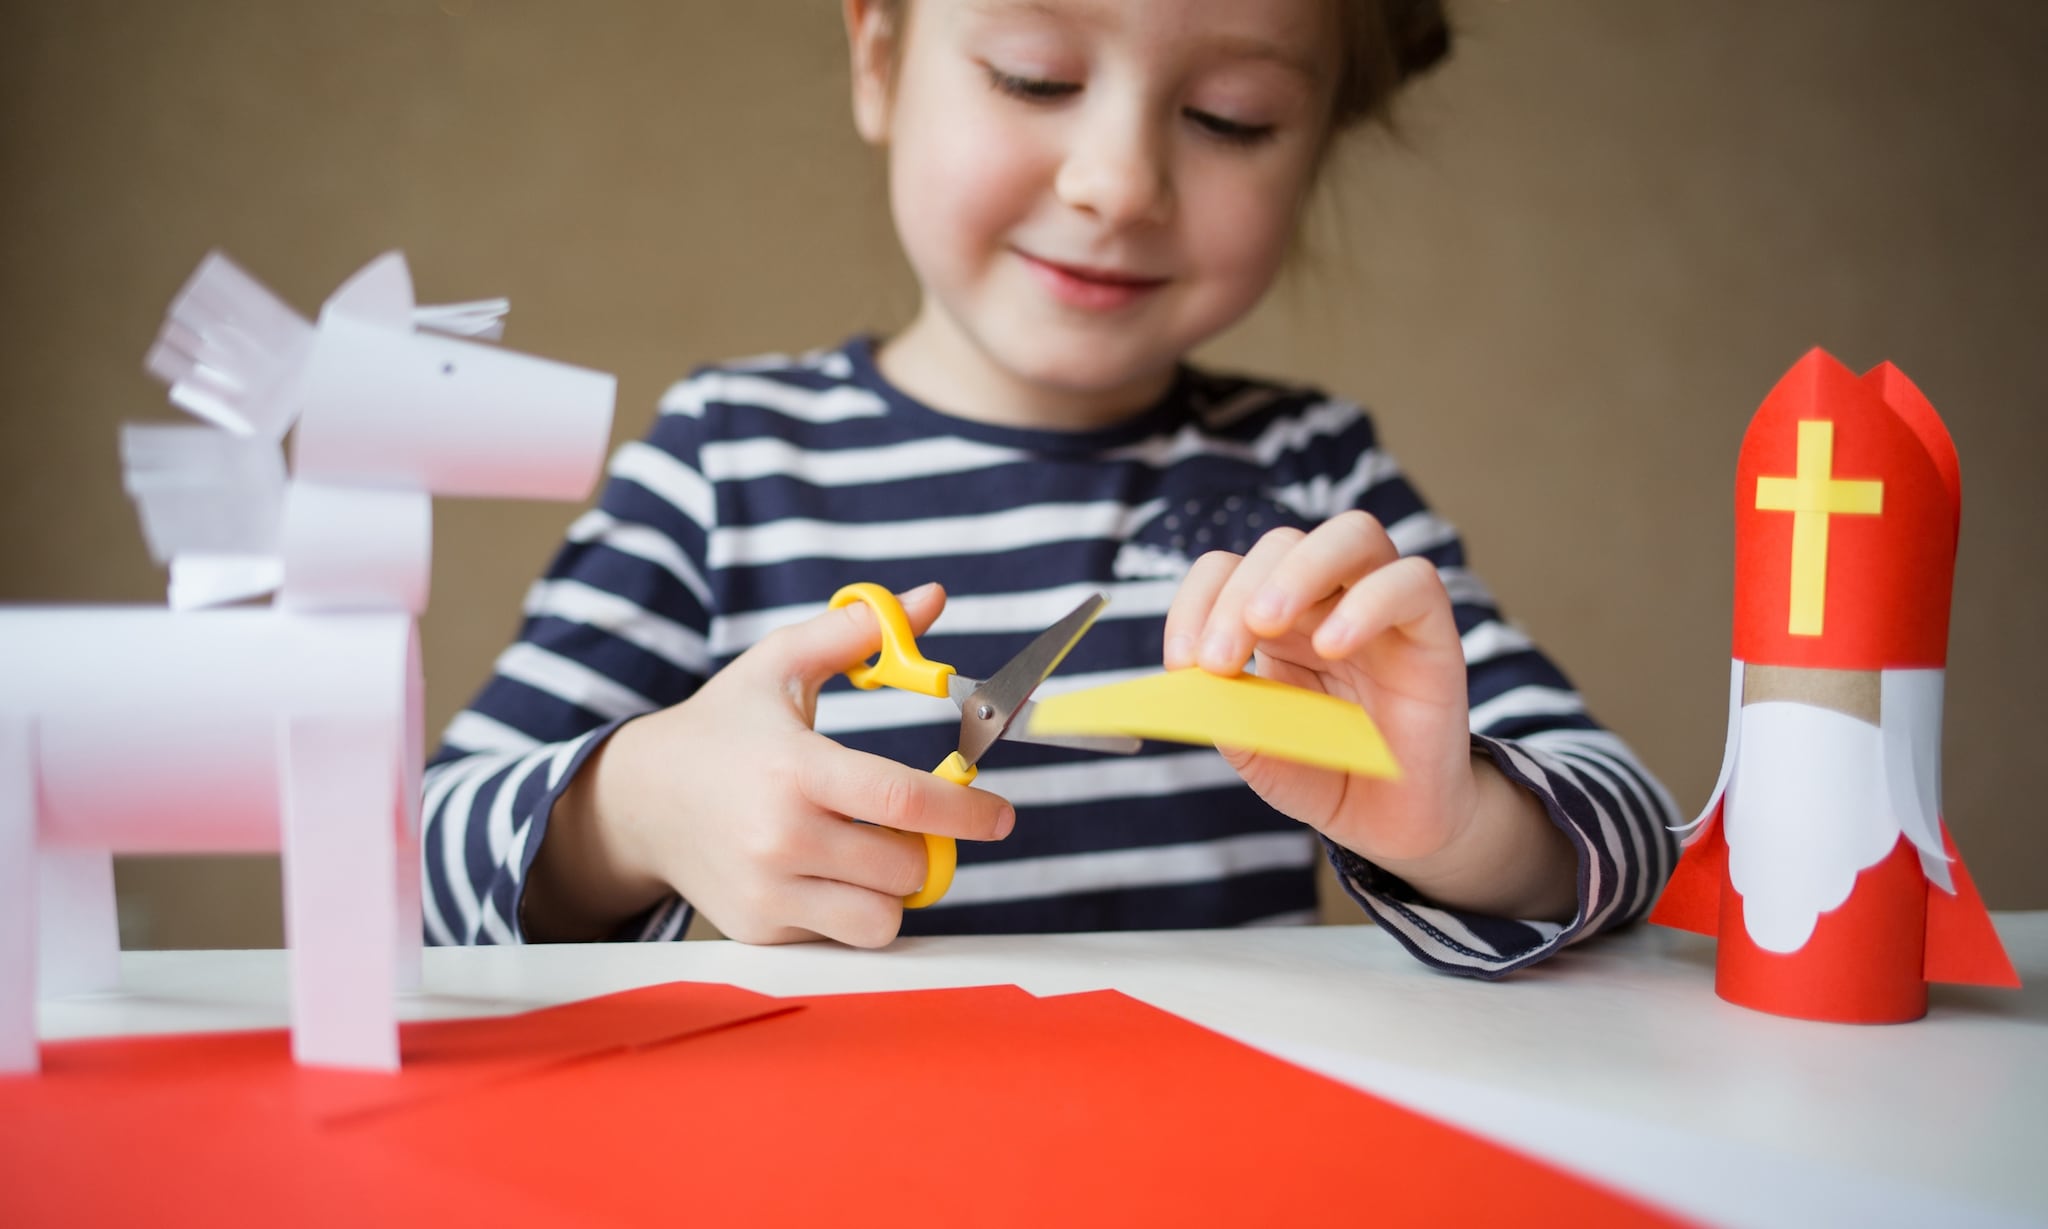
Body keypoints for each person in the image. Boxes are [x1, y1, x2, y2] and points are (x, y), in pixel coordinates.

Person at [422, 0, 1678, 977]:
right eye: (1034, 75)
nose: (1116, 183)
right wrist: (632, 810)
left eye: (1231, 115)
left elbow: (1633, 834)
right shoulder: (726, 462)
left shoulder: (1309, 478)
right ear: (878, 56)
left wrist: (1449, 819)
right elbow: (396, 862)